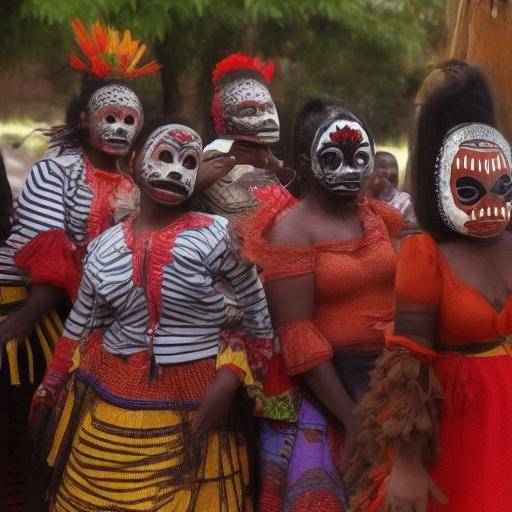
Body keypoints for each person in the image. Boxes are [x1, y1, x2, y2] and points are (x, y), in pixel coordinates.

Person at [31, 120, 273, 511]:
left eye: (189, 162)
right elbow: (80, 326)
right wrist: (50, 390)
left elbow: (257, 318)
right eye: (165, 157)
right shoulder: (103, 248)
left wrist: (232, 378)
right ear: (135, 166)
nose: (176, 170)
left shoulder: (219, 236)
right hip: (107, 395)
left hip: (199, 396)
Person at [346, 65, 512, 512]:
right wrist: (407, 465)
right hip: (454, 431)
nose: (492, 202)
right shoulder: (424, 254)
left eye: (503, 186)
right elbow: (406, 370)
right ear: (443, 184)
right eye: (472, 189)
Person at [239, 98, 402, 511]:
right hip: (328, 396)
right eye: (333, 158)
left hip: (391, 386)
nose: (351, 170)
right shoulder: (291, 231)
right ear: (305, 163)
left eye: (359, 157)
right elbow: (298, 336)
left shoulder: (377, 218)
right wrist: (352, 419)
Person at [196, 52, 295, 217]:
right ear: (224, 119)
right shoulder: (210, 165)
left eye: (269, 108)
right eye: (251, 110)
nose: (267, 118)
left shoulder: (279, 168)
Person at [368, 151, 418, 235]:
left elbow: (412, 229)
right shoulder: (364, 201)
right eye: (383, 167)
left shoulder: (404, 200)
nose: (389, 172)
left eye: (393, 167)